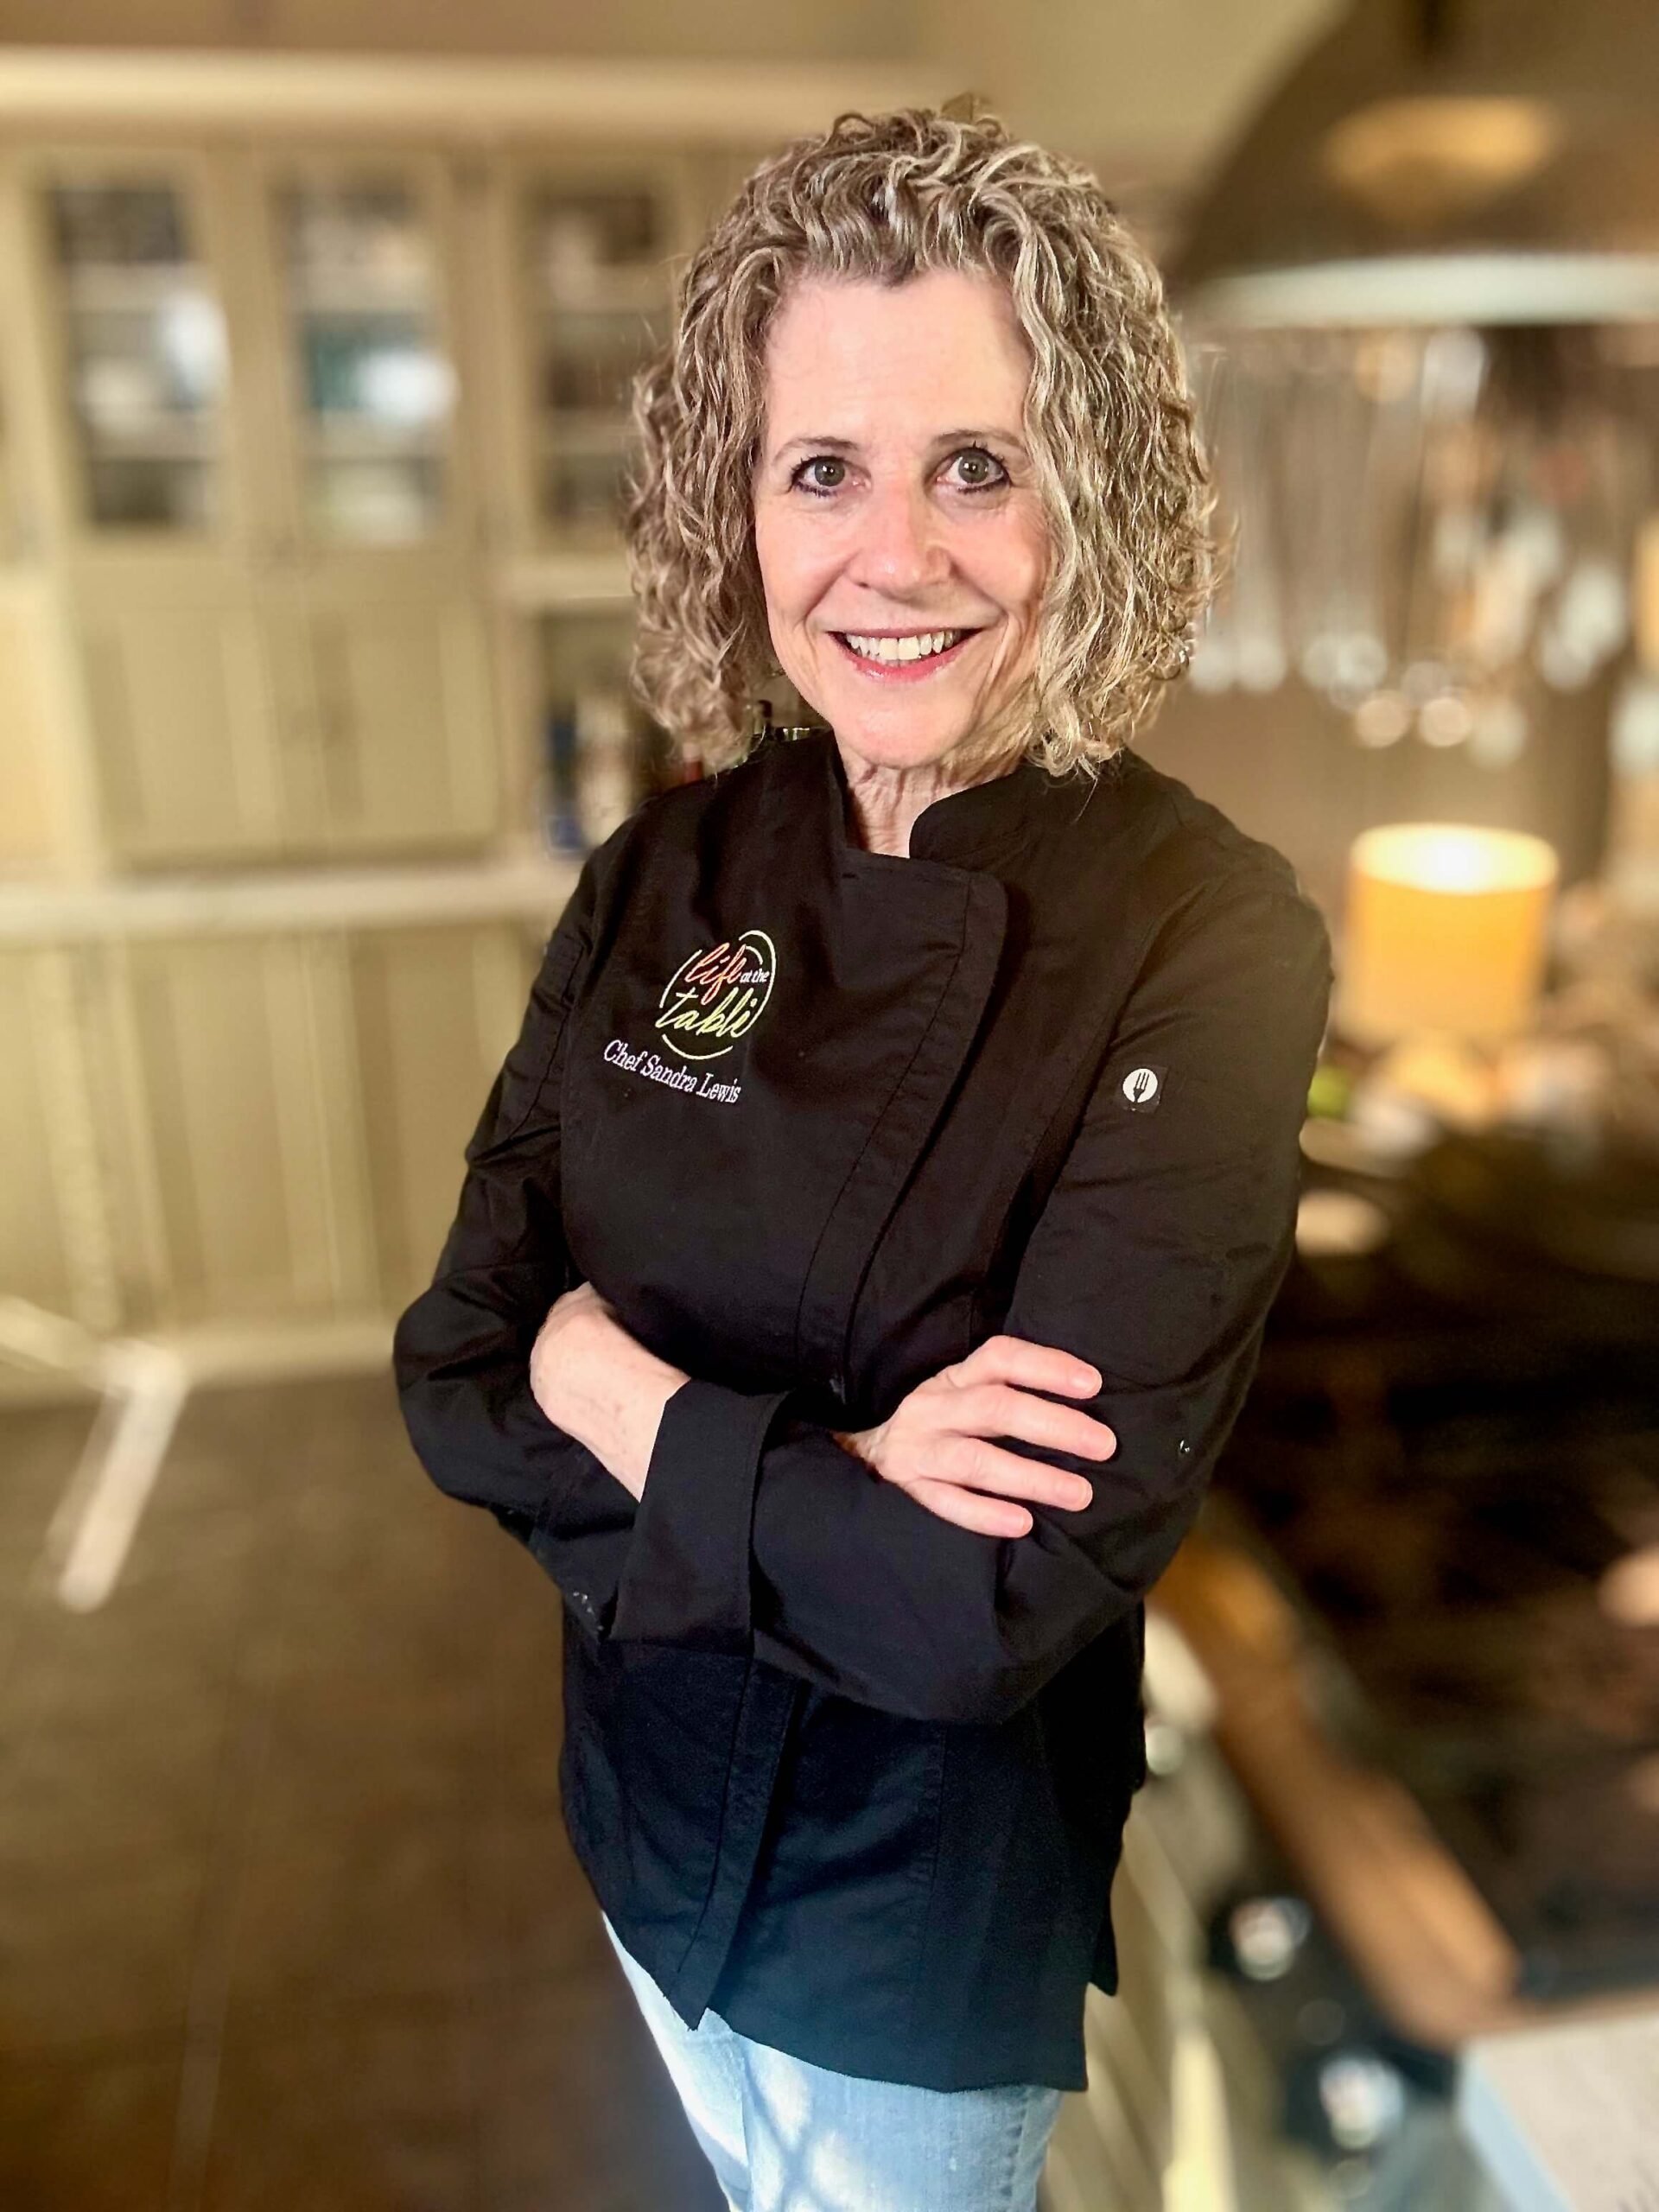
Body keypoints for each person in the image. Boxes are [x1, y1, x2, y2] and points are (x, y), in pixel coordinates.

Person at [394, 104, 1333, 2212]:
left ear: (1091, 492)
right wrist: (830, 1472)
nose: (892, 557)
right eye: (823, 468)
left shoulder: (1208, 938)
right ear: (736, 506)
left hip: (913, 1934)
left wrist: (602, 1374)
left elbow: (980, 1604)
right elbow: (452, 1366)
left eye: (975, 466)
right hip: (639, 1827)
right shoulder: (666, 871)